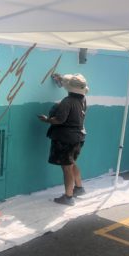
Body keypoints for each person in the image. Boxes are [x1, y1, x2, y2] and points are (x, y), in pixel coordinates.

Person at [38, 73, 89, 206]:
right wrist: (61, 80)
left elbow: (60, 119)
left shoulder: (67, 102)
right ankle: (79, 188)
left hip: (66, 139)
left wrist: (46, 120)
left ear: (69, 88)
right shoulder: (82, 99)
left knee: (66, 168)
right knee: (71, 163)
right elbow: (74, 86)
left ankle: (68, 197)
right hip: (79, 137)